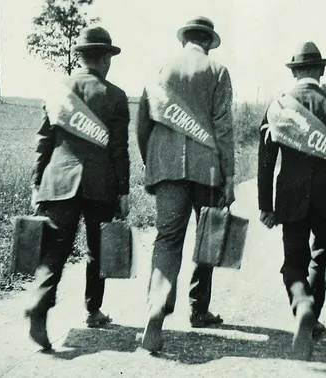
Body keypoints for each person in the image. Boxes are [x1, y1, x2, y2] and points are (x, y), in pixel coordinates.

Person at [24, 26, 130, 350]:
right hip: (101, 184)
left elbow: (44, 141)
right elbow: (118, 149)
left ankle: (40, 305)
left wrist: (36, 182)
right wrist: (123, 192)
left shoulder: (59, 89)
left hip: (59, 180)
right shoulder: (116, 95)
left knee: (54, 250)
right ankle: (93, 310)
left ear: (81, 56)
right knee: (98, 251)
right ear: (106, 60)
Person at [136, 16, 235, 352]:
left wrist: (153, 163)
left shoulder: (161, 69)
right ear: (207, 41)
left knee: (167, 239)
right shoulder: (218, 71)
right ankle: (199, 308)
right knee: (209, 236)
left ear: (185, 41)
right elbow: (223, 129)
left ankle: (157, 306)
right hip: (206, 168)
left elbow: (143, 121)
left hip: (166, 167)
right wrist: (230, 175)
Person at [257, 42, 326, 360]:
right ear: (321, 71)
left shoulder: (279, 105)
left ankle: (301, 303)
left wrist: (265, 204)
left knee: (293, 261)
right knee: (320, 258)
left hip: (290, 196)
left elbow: (265, 159)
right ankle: (311, 316)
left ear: (295, 71)